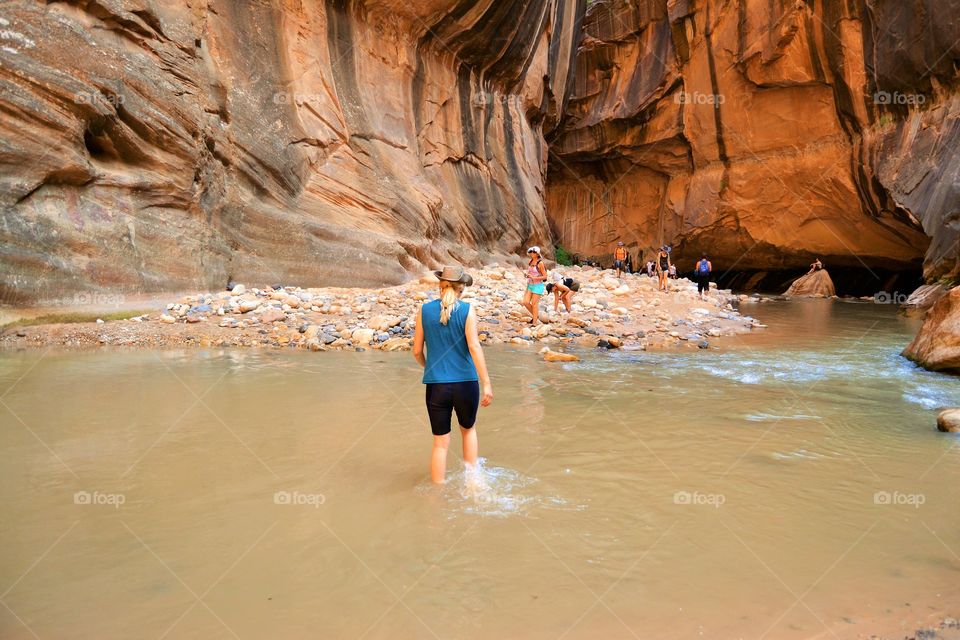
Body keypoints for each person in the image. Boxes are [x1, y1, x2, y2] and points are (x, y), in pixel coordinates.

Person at [413, 266, 493, 484]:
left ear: (440, 286)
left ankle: (437, 494)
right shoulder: (467, 310)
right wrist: (486, 383)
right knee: (468, 431)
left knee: (440, 443)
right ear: (461, 289)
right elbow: (475, 347)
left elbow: (417, 351)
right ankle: (472, 484)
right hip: (466, 384)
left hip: (436, 386)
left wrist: (430, 367)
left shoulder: (424, 310)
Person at [521, 246, 547, 325]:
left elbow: (545, 276)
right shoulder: (531, 261)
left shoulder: (540, 263)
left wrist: (534, 277)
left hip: (538, 286)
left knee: (535, 304)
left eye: (533, 252)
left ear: (537, 253)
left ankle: (534, 323)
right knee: (525, 302)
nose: (531, 253)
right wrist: (527, 275)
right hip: (529, 285)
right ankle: (536, 316)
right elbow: (531, 273)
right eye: (531, 252)